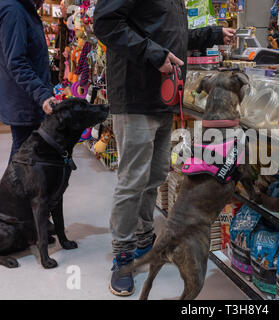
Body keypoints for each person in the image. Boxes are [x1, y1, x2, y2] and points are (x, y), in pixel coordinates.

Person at [93, 0, 236, 296]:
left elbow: (172, 36)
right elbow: (105, 23)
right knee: (132, 180)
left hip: (163, 96)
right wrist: (152, 53)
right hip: (134, 95)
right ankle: (123, 256)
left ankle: (145, 237)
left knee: (155, 175)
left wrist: (213, 33)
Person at [0, 0, 58, 163]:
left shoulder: (21, 9)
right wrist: (42, 95)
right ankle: (10, 189)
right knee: (22, 159)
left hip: (26, 96)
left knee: (27, 157)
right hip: (24, 99)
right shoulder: (14, 10)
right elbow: (16, 62)